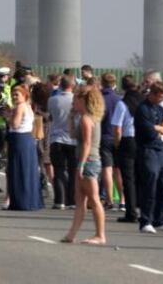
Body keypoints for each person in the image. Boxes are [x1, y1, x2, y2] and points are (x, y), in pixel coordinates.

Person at [61, 85, 106, 245]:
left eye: (75, 100)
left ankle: (100, 235)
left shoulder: (87, 119)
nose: (73, 103)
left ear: (83, 100)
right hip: (86, 160)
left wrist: (80, 165)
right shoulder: (87, 117)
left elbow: (87, 143)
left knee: (93, 199)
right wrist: (71, 119)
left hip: (88, 162)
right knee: (80, 200)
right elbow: (74, 135)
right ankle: (71, 234)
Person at [136, 82, 163, 234]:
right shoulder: (142, 109)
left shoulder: (161, 109)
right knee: (151, 180)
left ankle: (162, 219)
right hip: (147, 148)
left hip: (161, 148)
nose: (161, 99)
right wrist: (158, 128)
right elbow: (148, 130)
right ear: (152, 94)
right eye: (160, 96)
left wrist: (160, 128)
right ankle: (146, 220)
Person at [5, 85, 43, 211]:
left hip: (19, 138)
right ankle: (30, 200)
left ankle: (20, 201)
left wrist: (7, 116)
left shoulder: (20, 107)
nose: (14, 96)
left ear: (24, 95)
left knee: (17, 169)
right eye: (13, 94)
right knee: (27, 170)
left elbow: (15, 124)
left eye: (17, 94)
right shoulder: (28, 106)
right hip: (27, 139)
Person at [111, 75, 141, 222]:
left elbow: (117, 128)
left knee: (128, 179)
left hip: (127, 141)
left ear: (123, 87)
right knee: (142, 177)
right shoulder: (143, 101)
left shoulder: (122, 104)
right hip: (142, 140)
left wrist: (117, 144)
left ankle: (131, 212)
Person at [48, 76, 78, 209]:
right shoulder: (76, 100)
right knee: (73, 171)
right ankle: (72, 200)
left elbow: (51, 116)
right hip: (73, 139)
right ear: (73, 86)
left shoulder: (53, 100)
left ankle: (59, 200)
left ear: (60, 85)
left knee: (59, 170)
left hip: (57, 138)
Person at [98, 73, 121, 208]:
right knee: (118, 170)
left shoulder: (100, 99)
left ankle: (109, 199)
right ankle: (123, 200)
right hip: (117, 136)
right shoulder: (118, 99)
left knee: (106, 168)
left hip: (104, 135)